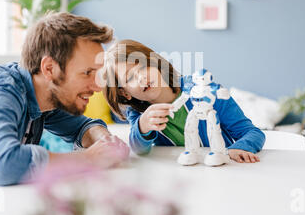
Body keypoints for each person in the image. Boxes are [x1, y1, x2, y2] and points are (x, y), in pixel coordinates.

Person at [0, 12, 129, 196]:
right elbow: (3, 165)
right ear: (49, 68)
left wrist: (105, 142)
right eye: (87, 72)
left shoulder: (43, 96)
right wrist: (89, 158)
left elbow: (81, 126)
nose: (97, 86)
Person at [102, 39, 265, 163]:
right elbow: (139, 149)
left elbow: (253, 133)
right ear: (125, 94)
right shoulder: (138, 113)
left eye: (144, 67)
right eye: (130, 77)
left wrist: (238, 148)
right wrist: (142, 126)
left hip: (221, 170)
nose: (142, 77)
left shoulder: (206, 91)